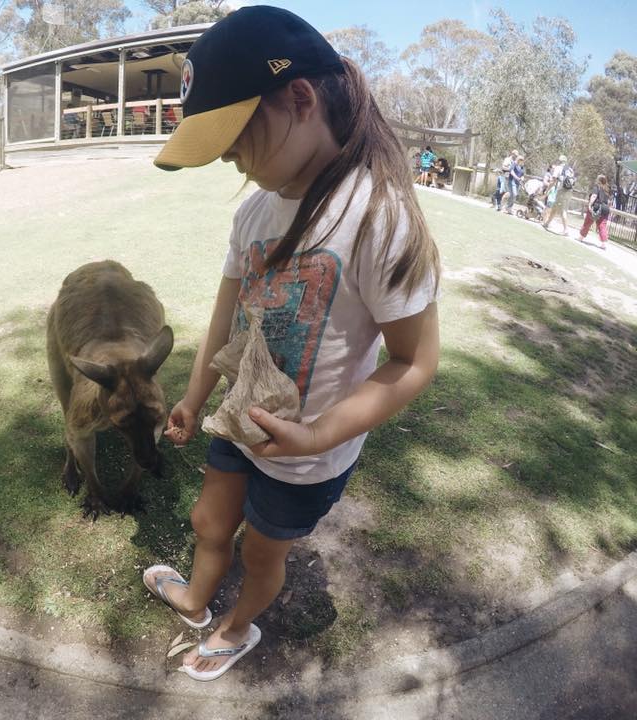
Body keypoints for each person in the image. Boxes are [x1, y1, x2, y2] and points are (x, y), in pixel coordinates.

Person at [144, 6, 440, 682]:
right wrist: (194, 395)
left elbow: (416, 360)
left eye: (235, 141)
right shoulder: (254, 211)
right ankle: (194, 599)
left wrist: (319, 436)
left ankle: (236, 625)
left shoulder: (377, 218)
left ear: (300, 99)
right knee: (208, 519)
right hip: (238, 420)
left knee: (261, 556)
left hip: (309, 455)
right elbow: (227, 314)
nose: (228, 161)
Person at [579, 174, 613, 250]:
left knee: (587, 222)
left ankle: (581, 237)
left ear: (599, 180)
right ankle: (604, 243)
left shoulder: (597, 187)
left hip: (596, 207)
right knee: (602, 225)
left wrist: (590, 205)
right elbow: (610, 201)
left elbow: (594, 196)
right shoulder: (608, 189)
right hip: (605, 209)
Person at [542, 154, 572, 235]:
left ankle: (566, 230)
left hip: (561, 191)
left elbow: (553, 180)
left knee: (563, 210)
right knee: (555, 207)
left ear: (559, 161)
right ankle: (547, 223)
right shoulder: (570, 169)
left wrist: (547, 190)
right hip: (569, 192)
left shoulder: (559, 168)